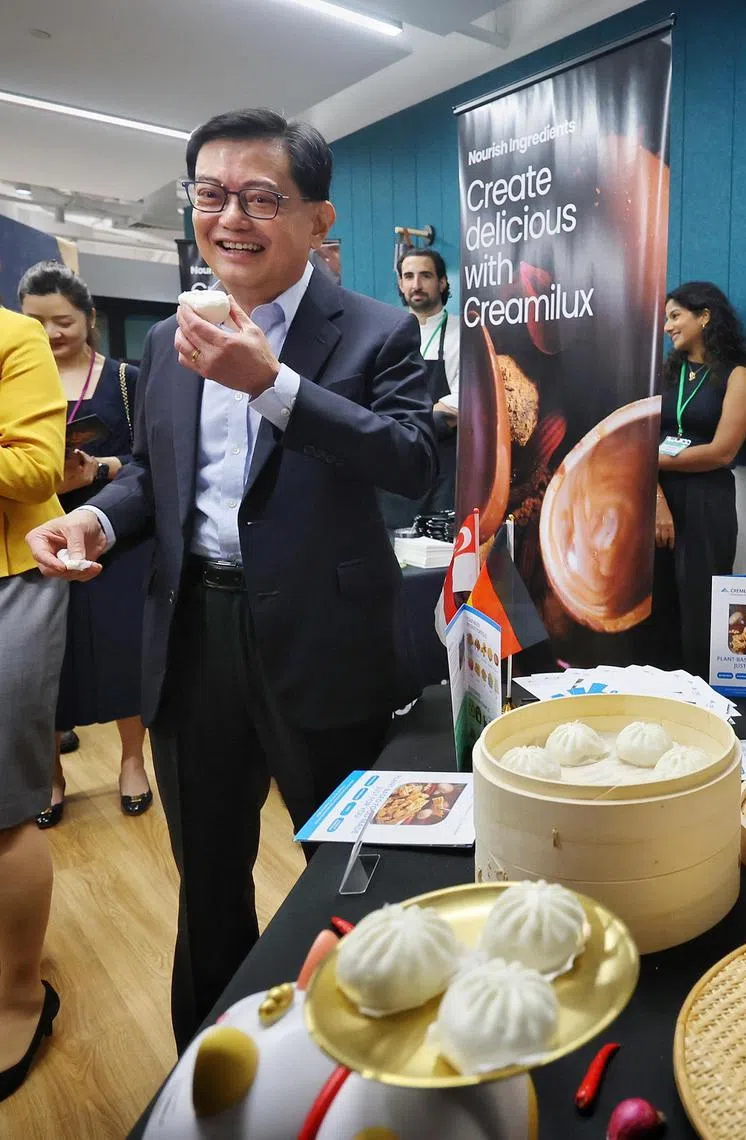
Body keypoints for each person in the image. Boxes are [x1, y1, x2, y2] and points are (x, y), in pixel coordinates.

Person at [27, 107, 438, 1049]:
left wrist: (274, 386)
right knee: (206, 878)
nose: (231, 217)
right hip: (191, 637)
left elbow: (416, 463)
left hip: (325, 644)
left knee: (352, 868)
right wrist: (92, 517)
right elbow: (152, 478)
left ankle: (369, 1055)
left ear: (317, 219)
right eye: (211, 195)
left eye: (262, 196)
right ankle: (209, 1075)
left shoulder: (377, 334)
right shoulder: (172, 345)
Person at [18, 261, 153, 825]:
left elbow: (150, 460)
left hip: (115, 537)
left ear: (88, 319)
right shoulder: (14, 383)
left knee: (127, 654)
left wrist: (97, 469)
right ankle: (48, 775)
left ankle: (131, 763)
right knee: (43, 664)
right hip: (34, 538)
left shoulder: (126, 379)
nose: (51, 334)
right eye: (36, 322)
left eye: (63, 321)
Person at [0, 305, 66, 1100]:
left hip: (12, 576)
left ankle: (20, 992)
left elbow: (35, 468)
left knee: (6, 803)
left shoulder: (13, 336)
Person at [652, 281, 746, 676]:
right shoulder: (664, 375)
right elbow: (638, 443)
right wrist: (656, 498)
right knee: (657, 610)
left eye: (675, 315)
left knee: (702, 612)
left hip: (706, 501)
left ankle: (701, 709)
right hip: (657, 501)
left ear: (705, 316)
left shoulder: (736, 376)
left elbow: (722, 452)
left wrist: (653, 462)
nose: (667, 326)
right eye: (666, 318)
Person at [384, 247, 459, 527]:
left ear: (442, 282)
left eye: (425, 275)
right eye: (409, 276)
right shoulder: (386, 336)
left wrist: (394, 427)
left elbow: (456, 410)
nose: (416, 284)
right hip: (392, 476)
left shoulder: (463, 334)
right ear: (401, 284)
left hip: (440, 473)